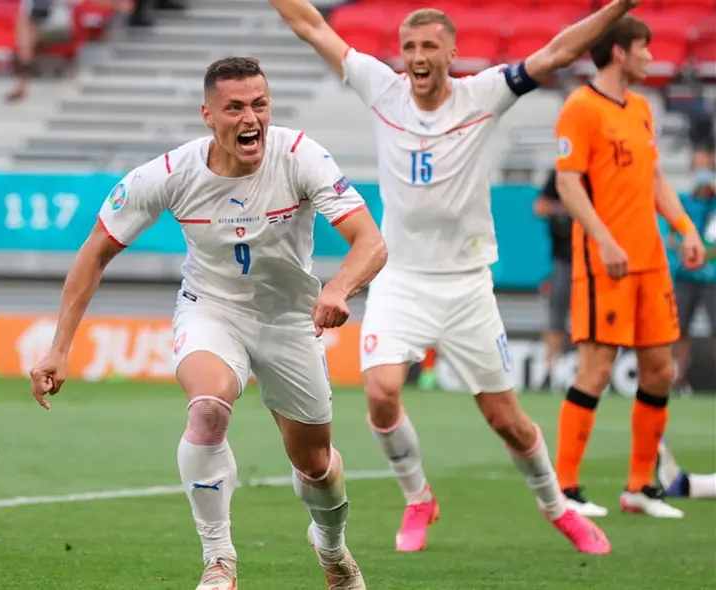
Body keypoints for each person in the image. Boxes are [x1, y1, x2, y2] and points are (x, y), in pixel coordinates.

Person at [270, 0, 634, 555]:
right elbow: (311, 24)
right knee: (382, 391)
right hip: (401, 278)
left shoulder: (482, 94)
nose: (417, 57)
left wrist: (622, 6)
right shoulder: (381, 87)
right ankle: (418, 498)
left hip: (466, 285)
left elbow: (559, 51)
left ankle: (558, 508)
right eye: (410, 47)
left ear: (451, 54)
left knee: (506, 419)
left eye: (429, 47)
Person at [29, 56, 386, 590]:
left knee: (314, 464)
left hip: (290, 319)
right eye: (235, 107)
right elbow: (93, 253)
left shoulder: (299, 156)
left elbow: (371, 241)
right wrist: (59, 347)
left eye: (260, 105)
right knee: (208, 408)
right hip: (211, 309)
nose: (252, 118)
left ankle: (331, 546)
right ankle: (219, 561)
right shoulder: (170, 174)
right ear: (207, 115)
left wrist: (337, 288)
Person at [552, 16, 706, 520]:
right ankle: (566, 490)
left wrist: (685, 227)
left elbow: (655, 176)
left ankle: (641, 486)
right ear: (619, 52)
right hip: (606, 265)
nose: (650, 57)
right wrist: (604, 239)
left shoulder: (641, 108)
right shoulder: (580, 108)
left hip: (650, 262)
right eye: (644, 48)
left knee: (661, 369)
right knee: (595, 370)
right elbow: (569, 185)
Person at [670, 147, 715, 393]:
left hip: (713, 277)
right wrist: (689, 249)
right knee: (680, 329)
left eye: (706, 165)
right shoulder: (683, 202)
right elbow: (673, 238)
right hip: (686, 275)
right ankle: (680, 378)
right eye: (698, 165)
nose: (702, 171)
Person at [532, 169, 573, 390]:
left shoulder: (596, 173)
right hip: (564, 260)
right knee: (556, 317)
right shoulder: (558, 174)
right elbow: (539, 207)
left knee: (590, 319)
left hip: (593, 260)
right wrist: (566, 209)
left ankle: (584, 371)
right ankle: (549, 370)